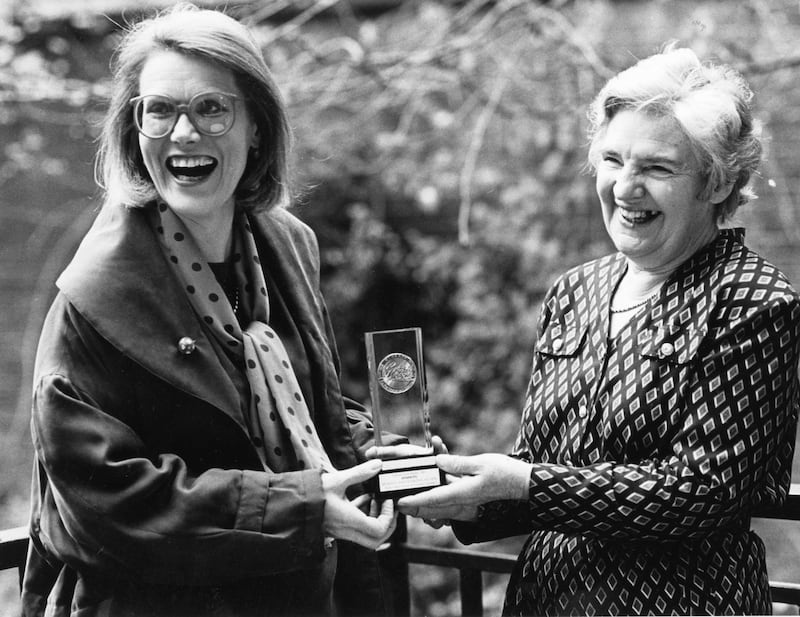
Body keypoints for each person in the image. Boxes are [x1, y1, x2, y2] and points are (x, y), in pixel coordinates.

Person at [21, 4, 402, 616]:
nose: (184, 133)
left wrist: (387, 455)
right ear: (133, 130)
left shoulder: (289, 246)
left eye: (211, 108)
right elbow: (103, 500)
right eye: (160, 110)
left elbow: (313, 411)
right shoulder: (92, 298)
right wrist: (299, 510)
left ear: (256, 127)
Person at [397, 46, 800, 615]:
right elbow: (541, 466)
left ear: (716, 182)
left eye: (656, 168)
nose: (625, 188)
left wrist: (526, 483)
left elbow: (703, 493)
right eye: (612, 160)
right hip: (546, 599)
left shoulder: (754, 301)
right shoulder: (575, 291)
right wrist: (464, 492)